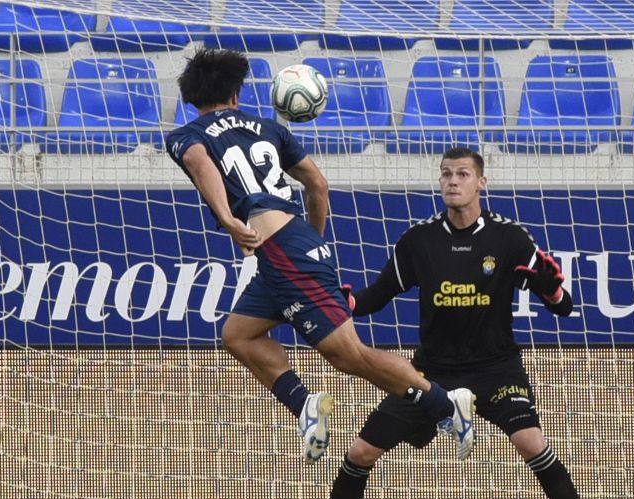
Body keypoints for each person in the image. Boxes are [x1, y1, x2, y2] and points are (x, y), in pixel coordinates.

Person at [294, 147, 612, 499]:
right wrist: (343, 302)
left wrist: (552, 290)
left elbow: (564, 306)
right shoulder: (419, 240)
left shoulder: (510, 239)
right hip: (431, 374)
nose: (452, 181)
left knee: (531, 443)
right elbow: (376, 296)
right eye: (446, 174)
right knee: (359, 453)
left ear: (481, 182)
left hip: (496, 368)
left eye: (462, 174)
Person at [165, 48, 475, 465]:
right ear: (236, 94)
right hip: (289, 249)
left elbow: (200, 164)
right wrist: (312, 239)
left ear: (190, 98)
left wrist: (229, 219)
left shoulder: (187, 135)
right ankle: (306, 404)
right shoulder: (268, 127)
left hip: (285, 253)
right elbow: (318, 184)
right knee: (238, 335)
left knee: (349, 356)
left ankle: (444, 402)